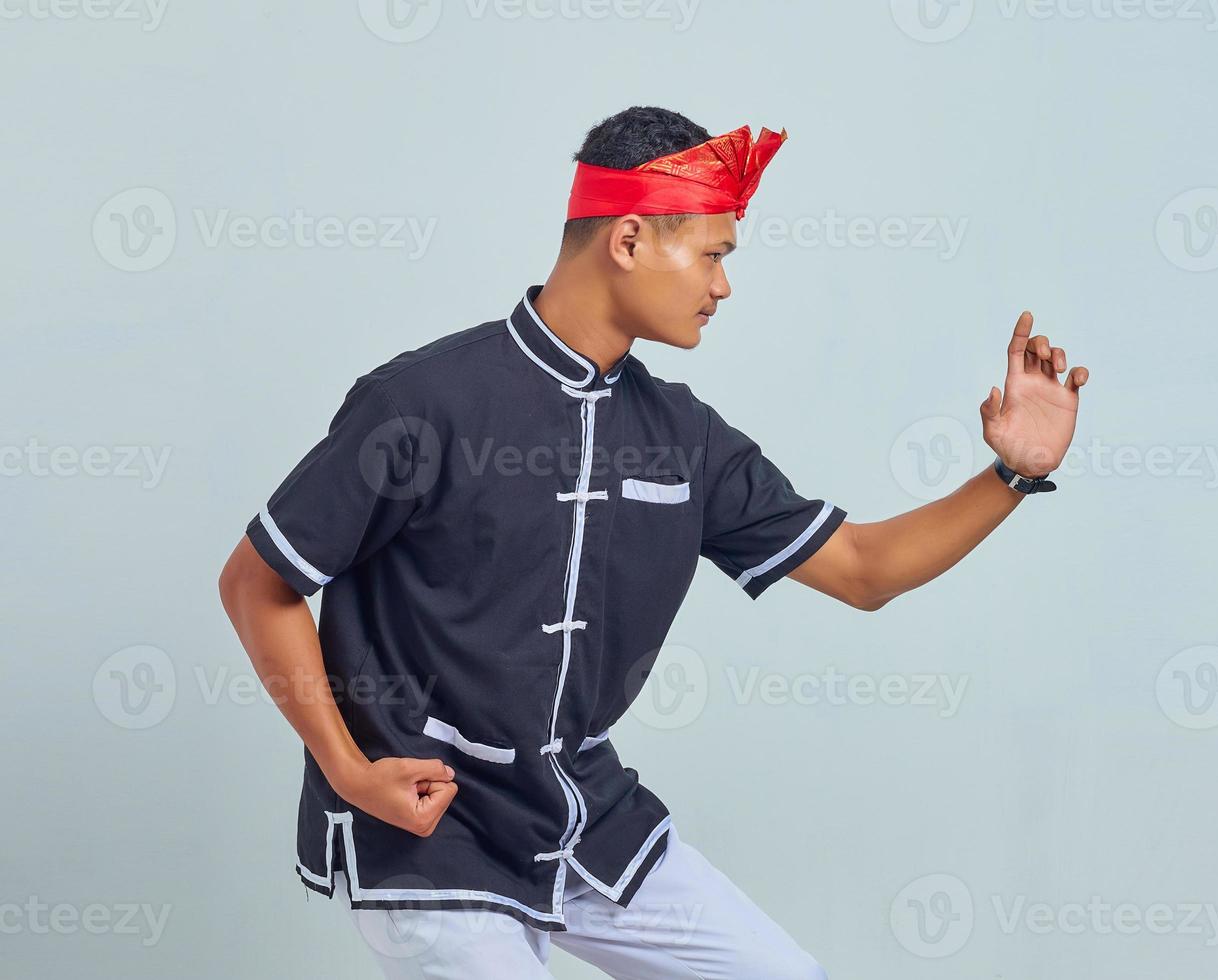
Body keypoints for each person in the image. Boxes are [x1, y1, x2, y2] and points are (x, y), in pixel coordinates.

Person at [217, 105, 1090, 979]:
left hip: (583, 816)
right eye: (714, 255)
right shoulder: (422, 402)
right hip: (431, 829)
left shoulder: (684, 435)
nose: (724, 286)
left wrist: (1009, 476)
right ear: (629, 241)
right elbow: (257, 584)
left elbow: (864, 570)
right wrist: (346, 769)